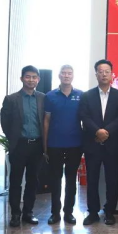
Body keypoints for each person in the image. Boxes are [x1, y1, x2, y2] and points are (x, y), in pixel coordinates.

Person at [0, 65, 45, 227]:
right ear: (21, 78)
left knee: (33, 180)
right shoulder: (11, 99)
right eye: (27, 76)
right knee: (15, 181)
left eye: (34, 77)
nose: (31, 80)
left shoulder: (42, 98)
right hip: (19, 145)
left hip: (37, 146)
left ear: (38, 79)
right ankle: (15, 214)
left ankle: (28, 212)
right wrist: (13, 139)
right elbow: (5, 122)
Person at [79, 59, 118, 226]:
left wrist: (107, 131)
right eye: (100, 71)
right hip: (93, 143)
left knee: (112, 180)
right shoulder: (87, 95)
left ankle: (110, 212)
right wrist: (97, 131)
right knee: (92, 180)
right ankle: (92, 212)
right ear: (96, 74)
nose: (104, 74)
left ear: (112, 74)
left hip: (113, 144)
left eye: (107, 71)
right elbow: (84, 116)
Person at [43, 65, 83, 225]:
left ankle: (69, 212)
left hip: (75, 144)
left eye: (69, 73)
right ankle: (55, 213)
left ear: (73, 76)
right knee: (55, 179)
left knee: (71, 179)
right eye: (64, 73)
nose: (66, 76)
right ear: (59, 76)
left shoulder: (80, 95)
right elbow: (46, 121)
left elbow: (85, 119)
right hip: (54, 144)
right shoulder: (50, 96)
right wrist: (45, 145)